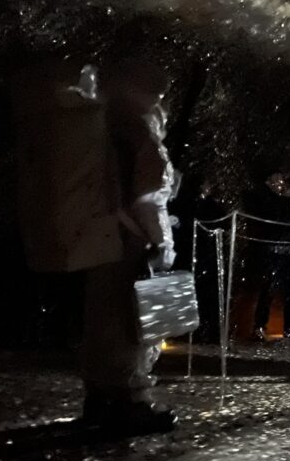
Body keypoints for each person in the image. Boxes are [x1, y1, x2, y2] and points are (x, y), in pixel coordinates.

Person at [12, 52, 178, 435]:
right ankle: (128, 405)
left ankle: (100, 399)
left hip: (100, 235)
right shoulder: (138, 129)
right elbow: (148, 196)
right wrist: (161, 243)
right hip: (129, 239)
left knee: (103, 320)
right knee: (133, 327)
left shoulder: (102, 122)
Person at [248, 172, 290, 341]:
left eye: (281, 180)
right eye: (276, 180)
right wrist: (282, 199)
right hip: (272, 250)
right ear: (269, 182)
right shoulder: (265, 198)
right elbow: (271, 216)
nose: (280, 183)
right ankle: (259, 326)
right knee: (268, 288)